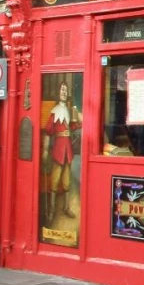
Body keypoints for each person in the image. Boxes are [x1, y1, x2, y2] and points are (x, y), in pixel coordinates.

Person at [42, 81, 81, 221]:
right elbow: (47, 132)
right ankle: (51, 211)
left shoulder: (70, 110)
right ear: (58, 93)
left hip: (68, 150)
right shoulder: (54, 112)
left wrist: (78, 117)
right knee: (54, 181)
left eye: (65, 90)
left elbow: (75, 127)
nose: (63, 92)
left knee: (67, 181)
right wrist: (45, 150)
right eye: (61, 90)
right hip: (58, 149)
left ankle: (66, 207)